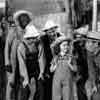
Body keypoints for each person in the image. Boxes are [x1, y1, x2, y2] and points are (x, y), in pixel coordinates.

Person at [4, 10, 33, 100]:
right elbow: (7, 47)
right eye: (22, 18)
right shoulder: (13, 31)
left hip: (23, 61)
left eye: (26, 19)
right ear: (19, 20)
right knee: (11, 83)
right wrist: (7, 62)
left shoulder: (28, 31)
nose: (24, 20)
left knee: (22, 83)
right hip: (13, 61)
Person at [17, 24, 46, 100]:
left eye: (35, 38)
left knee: (41, 87)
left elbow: (41, 58)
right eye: (31, 38)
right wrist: (26, 79)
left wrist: (41, 72)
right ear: (27, 38)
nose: (33, 40)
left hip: (37, 69)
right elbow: (22, 63)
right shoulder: (21, 47)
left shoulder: (39, 44)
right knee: (25, 89)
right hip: (25, 70)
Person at [42, 20, 64, 100]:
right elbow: (42, 57)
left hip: (60, 66)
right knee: (48, 90)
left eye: (53, 30)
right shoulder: (43, 40)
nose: (52, 33)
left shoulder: (61, 37)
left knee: (60, 90)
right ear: (46, 32)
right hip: (49, 68)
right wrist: (45, 70)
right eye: (49, 31)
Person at [50, 35, 77, 100]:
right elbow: (51, 70)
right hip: (57, 79)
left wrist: (69, 64)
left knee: (67, 96)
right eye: (64, 45)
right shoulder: (56, 57)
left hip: (67, 79)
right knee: (56, 96)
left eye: (67, 45)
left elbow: (75, 69)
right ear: (59, 47)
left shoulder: (70, 57)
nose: (66, 47)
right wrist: (55, 66)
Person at [85, 31, 100, 100]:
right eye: (88, 42)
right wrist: (94, 84)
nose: (88, 44)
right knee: (88, 87)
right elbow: (91, 69)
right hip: (96, 76)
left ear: (97, 44)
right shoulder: (90, 52)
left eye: (92, 42)